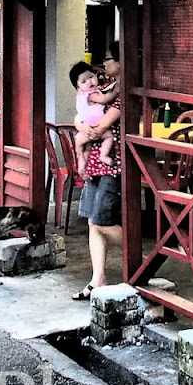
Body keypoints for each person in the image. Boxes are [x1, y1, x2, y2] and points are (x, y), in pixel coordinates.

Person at [73, 41, 123, 301]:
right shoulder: (103, 87)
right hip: (96, 160)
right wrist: (81, 126)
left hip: (113, 163)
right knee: (93, 221)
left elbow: (103, 124)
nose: (103, 65)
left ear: (121, 60)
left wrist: (85, 131)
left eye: (108, 59)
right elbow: (80, 117)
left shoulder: (122, 92)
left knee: (102, 220)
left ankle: (144, 252)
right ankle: (98, 279)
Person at [70, 61, 115, 167]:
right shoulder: (92, 94)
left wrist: (80, 126)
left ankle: (81, 168)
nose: (89, 82)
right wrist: (116, 91)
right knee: (109, 136)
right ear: (78, 87)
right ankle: (103, 155)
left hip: (86, 126)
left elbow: (78, 115)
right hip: (94, 127)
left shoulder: (81, 96)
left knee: (85, 151)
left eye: (91, 77)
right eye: (84, 81)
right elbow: (105, 99)